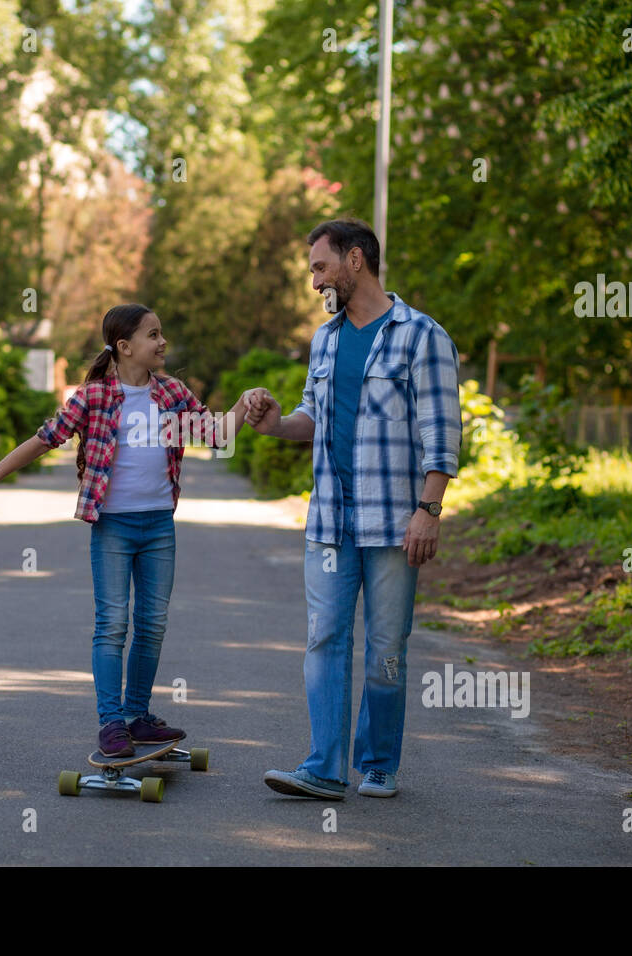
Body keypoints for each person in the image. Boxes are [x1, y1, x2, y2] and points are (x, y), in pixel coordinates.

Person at [0, 304, 247, 757]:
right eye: (154, 335)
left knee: (152, 624)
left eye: (161, 332)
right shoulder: (93, 398)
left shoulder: (170, 393)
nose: (162, 342)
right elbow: (44, 438)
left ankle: (137, 715)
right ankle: (112, 723)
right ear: (126, 347)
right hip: (112, 527)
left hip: (158, 527)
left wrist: (246, 404)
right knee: (112, 625)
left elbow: (215, 434)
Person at [245, 217, 462, 799]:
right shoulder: (326, 338)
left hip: (394, 522)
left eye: (320, 266)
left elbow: (441, 434)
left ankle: (378, 763)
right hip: (329, 523)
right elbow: (310, 417)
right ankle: (323, 767)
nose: (315, 281)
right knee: (324, 640)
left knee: (386, 648)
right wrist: (273, 424)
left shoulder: (422, 336)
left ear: (356, 260)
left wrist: (429, 510)